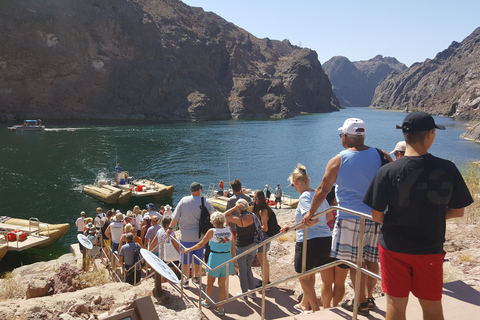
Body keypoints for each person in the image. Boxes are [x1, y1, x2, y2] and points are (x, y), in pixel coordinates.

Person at [363, 112, 473, 320]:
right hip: (429, 249)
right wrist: (434, 216)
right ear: (430, 134)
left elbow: (376, 216)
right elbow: (458, 211)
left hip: (393, 248)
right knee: (432, 308)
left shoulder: (387, 171)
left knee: (395, 305)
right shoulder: (447, 168)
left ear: (405, 136)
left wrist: (397, 221)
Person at [302, 117, 392, 316]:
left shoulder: (339, 159)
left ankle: (359, 301)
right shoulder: (382, 154)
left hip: (350, 217)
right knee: (371, 259)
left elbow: (323, 188)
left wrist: (311, 212)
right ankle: (368, 297)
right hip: (376, 217)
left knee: (353, 261)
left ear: (345, 137)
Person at [281, 164, 333, 313]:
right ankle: (305, 304)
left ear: (297, 182)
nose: (293, 187)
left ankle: (316, 310)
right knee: (309, 273)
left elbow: (311, 220)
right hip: (325, 239)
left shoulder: (304, 197)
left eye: (292, 184)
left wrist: (290, 228)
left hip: (309, 241)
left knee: (302, 276)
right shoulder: (319, 195)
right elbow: (329, 216)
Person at [184, 212, 235, 316]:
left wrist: (189, 249)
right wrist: (234, 261)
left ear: (213, 221)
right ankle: (220, 308)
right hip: (226, 258)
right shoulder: (229, 229)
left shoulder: (212, 231)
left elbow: (200, 244)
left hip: (215, 258)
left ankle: (207, 301)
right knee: (222, 284)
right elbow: (233, 246)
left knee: (210, 282)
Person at [167, 182, 215, 287]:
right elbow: (213, 215)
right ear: (199, 190)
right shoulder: (204, 200)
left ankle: (184, 280)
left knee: (185, 259)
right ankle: (196, 277)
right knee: (198, 258)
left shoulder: (183, 201)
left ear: (191, 190)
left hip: (186, 236)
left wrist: (170, 229)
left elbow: (175, 218)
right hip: (200, 236)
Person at [224, 199, 258, 300]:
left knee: (242, 272)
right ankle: (252, 293)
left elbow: (225, 215)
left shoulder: (239, 219)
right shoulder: (253, 216)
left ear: (239, 207)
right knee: (248, 269)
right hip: (253, 246)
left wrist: (234, 207)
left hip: (242, 247)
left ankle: (244, 294)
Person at [252, 190, 280, 288]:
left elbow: (265, 227)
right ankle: (266, 280)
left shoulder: (263, 211)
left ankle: (265, 283)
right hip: (265, 237)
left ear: (260, 199)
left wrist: (255, 228)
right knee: (264, 260)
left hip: (264, 237)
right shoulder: (264, 209)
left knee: (262, 260)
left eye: (256, 198)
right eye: (254, 198)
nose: (255, 200)